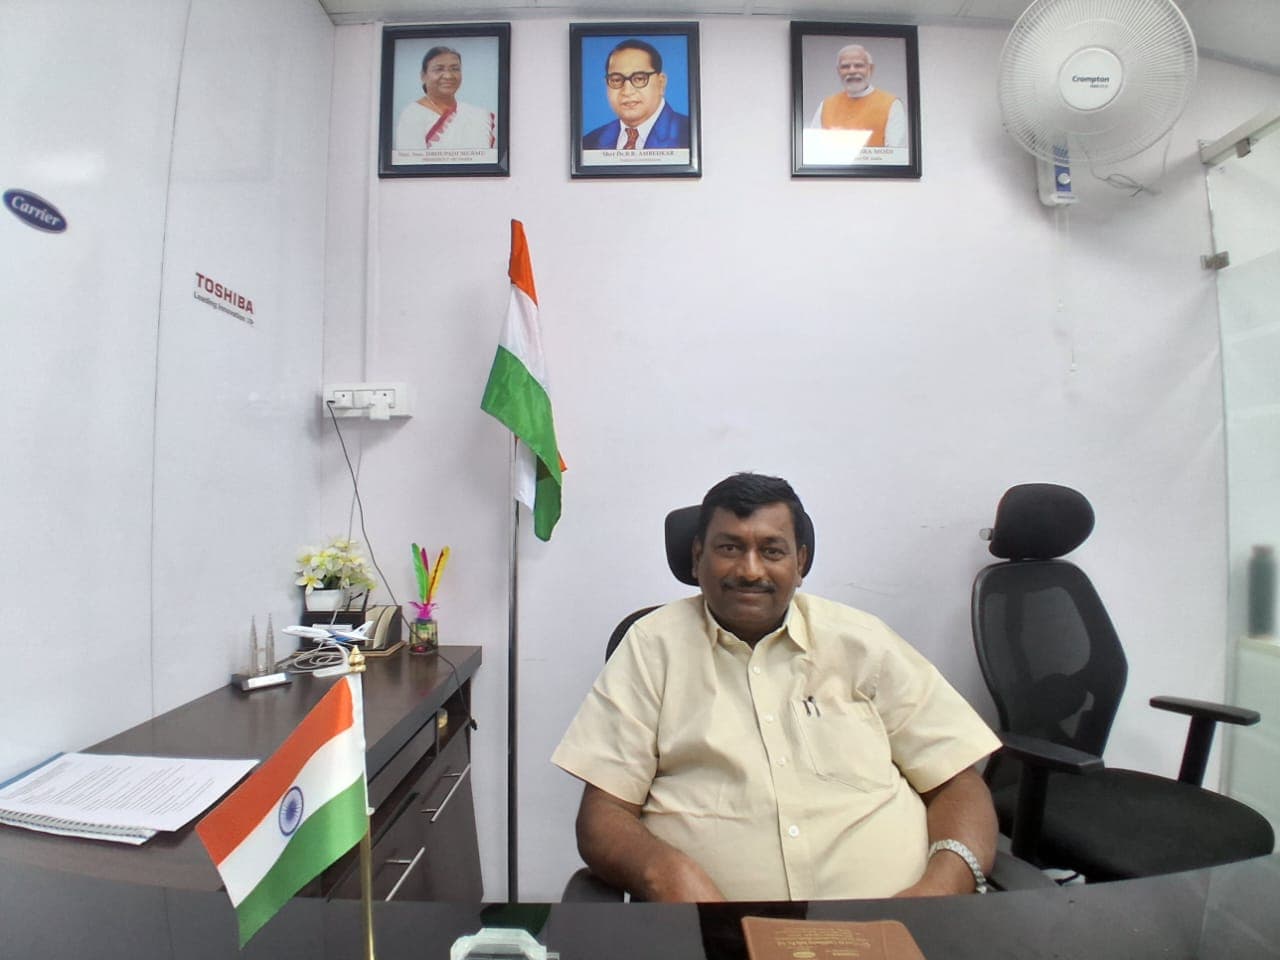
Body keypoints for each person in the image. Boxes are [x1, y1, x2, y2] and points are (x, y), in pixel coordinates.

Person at [552, 473, 1000, 902]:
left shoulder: (863, 642)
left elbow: (955, 782)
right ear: (696, 557)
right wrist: (666, 873)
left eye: (772, 550)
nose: (750, 570)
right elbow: (603, 817)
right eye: (729, 547)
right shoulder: (652, 648)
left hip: (894, 927)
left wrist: (941, 889)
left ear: (800, 563)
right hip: (715, 936)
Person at [582, 38, 690, 151]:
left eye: (639, 79)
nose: (627, 91)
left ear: (661, 83)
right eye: (616, 80)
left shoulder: (689, 135)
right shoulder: (589, 143)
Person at [395, 46, 495, 152]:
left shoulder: (478, 115)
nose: (448, 76)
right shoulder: (413, 115)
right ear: (423, 76)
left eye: (455, 69)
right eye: (439, 69)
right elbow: (411, 163)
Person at [809, 44, 907, 148]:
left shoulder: (891, 104)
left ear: (871, 69)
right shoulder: (826, 106)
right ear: (838, 71)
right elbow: (813, 149)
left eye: (858, 65)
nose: (852, 71)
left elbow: (896, 155)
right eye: (845, 67)